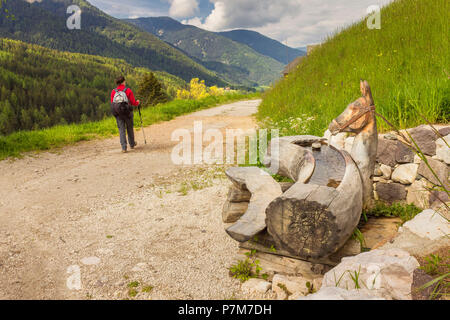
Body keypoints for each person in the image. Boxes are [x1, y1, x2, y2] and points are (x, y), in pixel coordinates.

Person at [111, 76, 140, 153]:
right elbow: (133, 102)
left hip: (118, 113)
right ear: (123, 82)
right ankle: (132, 144)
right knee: (129, 128)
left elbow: (112, 103)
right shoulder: (128, 90)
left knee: (121, 130)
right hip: (127, 113)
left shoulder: (114, 91)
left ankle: (124, 147)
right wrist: (138, 102)